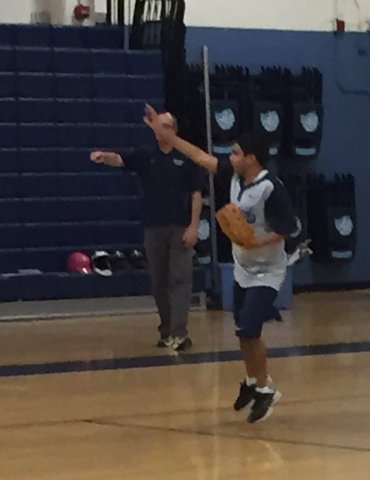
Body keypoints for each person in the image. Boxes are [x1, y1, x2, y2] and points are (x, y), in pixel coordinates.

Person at [143, 104, 298, 424]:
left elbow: (288, 228)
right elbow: (200, 156)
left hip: (268, 270)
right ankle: (254, 383)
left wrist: (258, 241)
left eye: (237, 152)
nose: (231, 156)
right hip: (242, 267)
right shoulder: (233, 177)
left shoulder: (271, 188)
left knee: (249, 327)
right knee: (243, 333)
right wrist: (164, 132)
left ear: (252, 158)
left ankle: (267, 389)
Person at [90, 112, 203, 352]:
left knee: (180, 278)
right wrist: (103, 157)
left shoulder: (187, 157)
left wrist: (194, 226)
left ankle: (180, 333)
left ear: (174, 129)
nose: (161, 129)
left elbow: (196, 193)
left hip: (179, 227)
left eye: (166, 126)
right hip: (153, 227)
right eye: (158, 125)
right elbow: (121, 160)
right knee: (158, 282)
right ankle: (166, 329)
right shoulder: (146, 155)